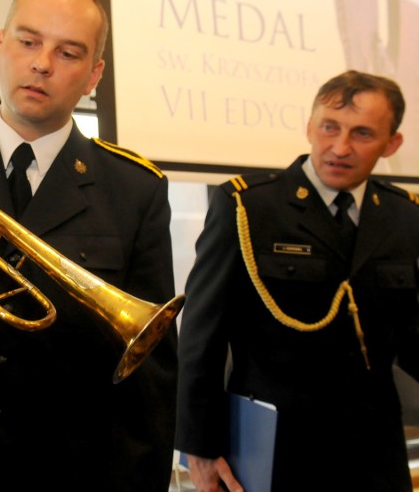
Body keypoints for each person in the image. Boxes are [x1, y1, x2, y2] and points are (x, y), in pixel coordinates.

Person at [0, 0, 180, 492]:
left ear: (94, 75)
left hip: (75, 468)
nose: (42, 64)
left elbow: (152, 373)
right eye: (28, 42)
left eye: (68, 52)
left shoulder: (134, 188)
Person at [175, 70, 419, 492]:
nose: (339, 148)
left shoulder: (405, 217)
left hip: (374, 451)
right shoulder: (248, 206)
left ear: (391, 144)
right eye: (329, 128)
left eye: (362, 133)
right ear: (310, 126)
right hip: (272, 449)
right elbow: (202, 338)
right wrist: (198, 448)